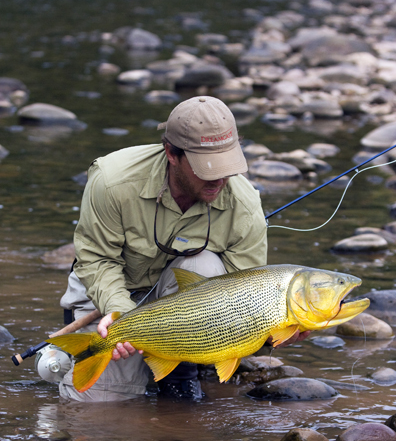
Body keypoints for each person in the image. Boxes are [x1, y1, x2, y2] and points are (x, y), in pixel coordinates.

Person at [58, 96, 307, 402]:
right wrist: (120, 314)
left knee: (204, 265)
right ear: (171, 154)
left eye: (227, 165)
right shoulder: (112, 182)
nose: (220, 179)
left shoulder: (245, 204)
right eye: (207, 168)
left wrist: (275, 333)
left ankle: (182, 372)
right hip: (110, 292)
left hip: (188, 307)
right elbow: (97, 260)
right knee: (97, 410)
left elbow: (245, 298)